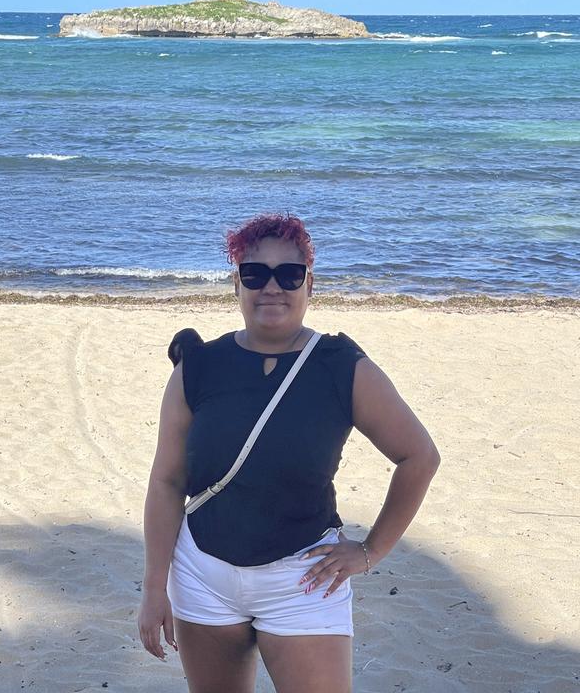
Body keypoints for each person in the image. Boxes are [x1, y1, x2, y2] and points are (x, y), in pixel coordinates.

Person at [138, 213, 440, 693]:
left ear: (309, 284)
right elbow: (167, 481)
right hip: (203, 577)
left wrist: (369, 551)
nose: (272, 287)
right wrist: (155, 586)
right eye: (255, 274)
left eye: (289, 274)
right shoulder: (198, 368)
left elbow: (419, 456)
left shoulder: (341, 367)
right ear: (236, 284)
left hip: (303, 582)